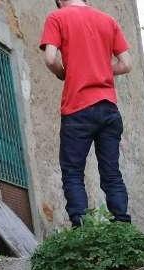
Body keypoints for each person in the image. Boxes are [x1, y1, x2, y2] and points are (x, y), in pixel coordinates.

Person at [40, 0, 134, 227]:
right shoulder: (108, 20)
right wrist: (100, 67)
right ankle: (122, 225)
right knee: (111, 172)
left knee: (73, 172)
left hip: (77, 108)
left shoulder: (57, 17)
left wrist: (64, 73)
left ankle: (82, 230)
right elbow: (127, 64)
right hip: (109, 109)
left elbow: (50, 58)